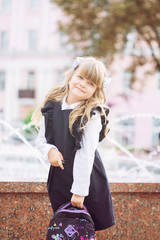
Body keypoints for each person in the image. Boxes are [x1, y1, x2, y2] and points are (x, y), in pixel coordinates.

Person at [32, 56, 116, 232]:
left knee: (83, 231)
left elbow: (86, 154)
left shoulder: (91, 115)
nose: (83, 84)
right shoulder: (52, 107)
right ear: (71, 76)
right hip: (60, 178)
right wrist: (50, 150)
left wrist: (79, 191)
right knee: (63, 230)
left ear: (96, 90)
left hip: (86, 181)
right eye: (81, 77)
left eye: (91, 84)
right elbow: (41, 140)